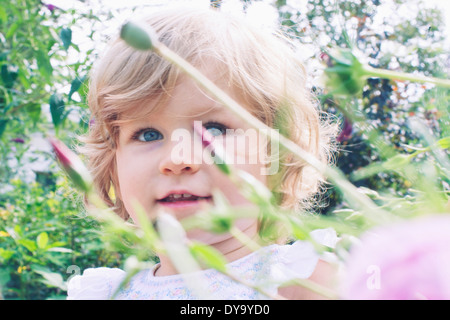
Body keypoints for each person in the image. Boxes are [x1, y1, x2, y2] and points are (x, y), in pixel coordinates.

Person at [67, 5, 338, 300]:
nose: (177, 159)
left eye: (214, 130)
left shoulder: (305, 281)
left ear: (278, 154)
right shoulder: (102, 294)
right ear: (113, 170)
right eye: (147, 134)